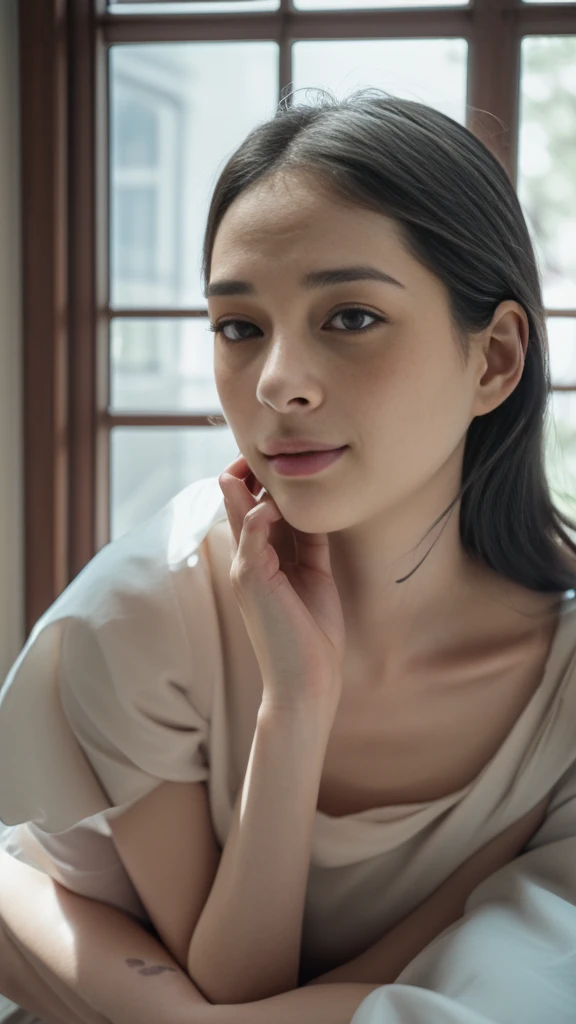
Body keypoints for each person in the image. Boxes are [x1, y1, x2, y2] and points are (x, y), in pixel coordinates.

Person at [1, 86, 576, 1024]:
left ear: (495, 360)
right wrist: (295, 705)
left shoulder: (563, 689)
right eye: (239, 327)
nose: (276, 383)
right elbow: (241, 988)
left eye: (349, 317)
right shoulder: (154, 605)